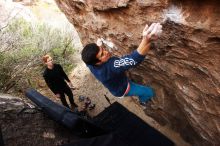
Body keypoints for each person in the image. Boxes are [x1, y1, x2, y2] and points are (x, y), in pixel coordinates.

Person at [81, 23, 162, 106]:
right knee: (149, 92)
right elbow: (133, 60)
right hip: (123, 89)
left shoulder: (90, 63)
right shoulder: (111, 66)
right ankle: (143, 101)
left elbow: (91, 58)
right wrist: (146, 40)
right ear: (97, 62)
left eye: (102, 50)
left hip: (115, 87)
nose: (106, 52)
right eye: (102, 54)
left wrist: (98, 46)